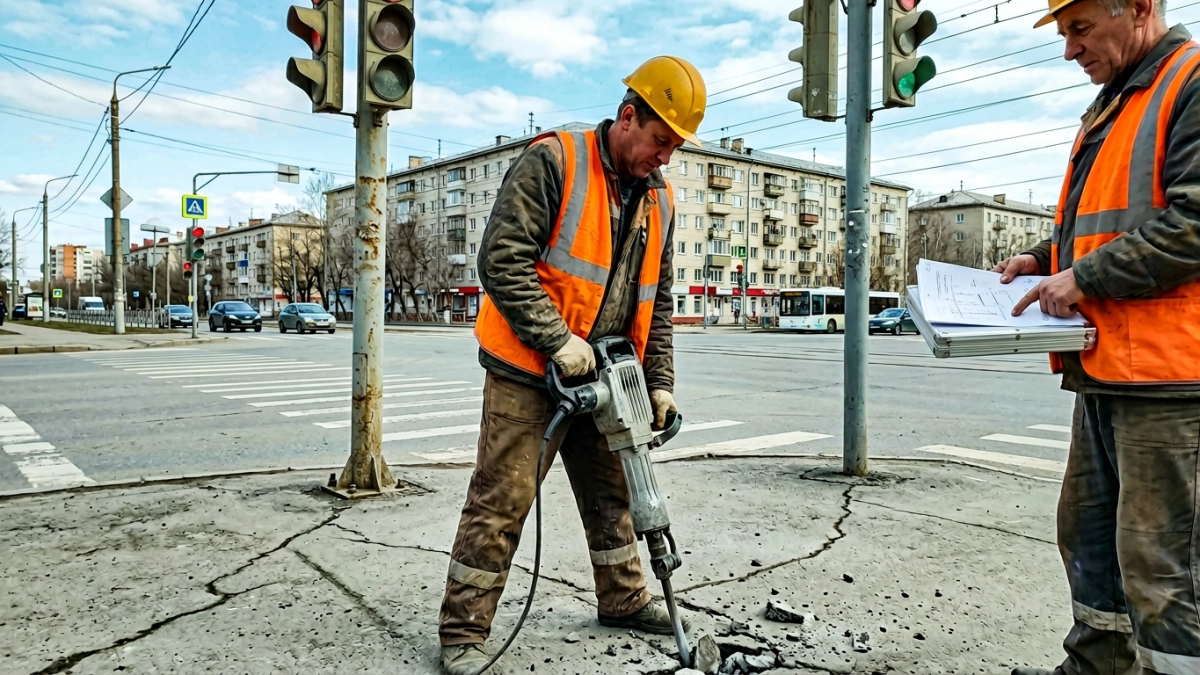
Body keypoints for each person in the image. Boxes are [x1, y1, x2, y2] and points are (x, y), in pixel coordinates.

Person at [437, 56, 706, 675]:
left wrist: (660, 384)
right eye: (660, 142)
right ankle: (462, 634)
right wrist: (558, 341)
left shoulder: (658, 200)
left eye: (675, 148)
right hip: (531, 369)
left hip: (608, 374)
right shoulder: (555, 160)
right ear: (628, 117)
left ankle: (623, 597)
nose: (664, 157)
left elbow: (657, 303)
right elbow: (501, 260)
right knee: (502, 498)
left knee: (615, 495)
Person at [996, 1, 1200, 673]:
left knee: (1161, 566)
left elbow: (1194, 223)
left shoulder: (1189, 82)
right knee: (1087, 537)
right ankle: (1097, 664)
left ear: (1139, 8)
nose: (1069, 50)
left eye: (1079, 29)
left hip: (1171, 380)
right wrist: (1044, 255)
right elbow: (1112, 218)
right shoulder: (1118, 102)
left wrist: (1083, 276)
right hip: (1110, 366)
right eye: (1063, 33)